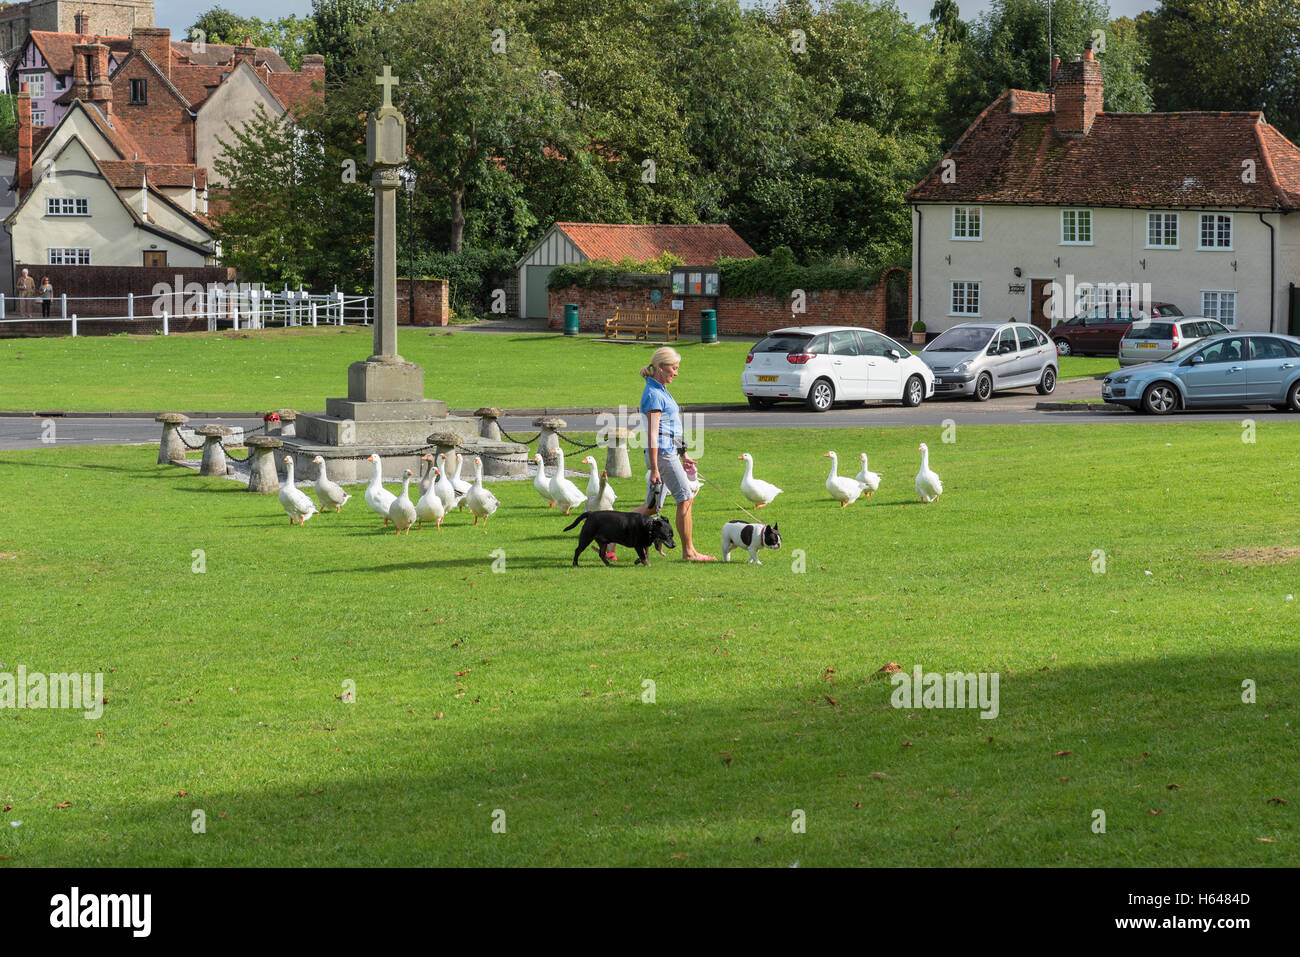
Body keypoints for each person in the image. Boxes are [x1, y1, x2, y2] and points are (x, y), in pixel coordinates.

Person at [633, 346, 714, 562]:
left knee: (651, 507)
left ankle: (609, 537)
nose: (677, 373)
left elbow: (670, 428)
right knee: (685, 498)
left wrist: (684, 454)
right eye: (674, 368)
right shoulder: (653, 394)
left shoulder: (660, 389)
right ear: (661, 367)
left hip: (669, 453)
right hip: (663, 455)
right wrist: (655, 468)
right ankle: (689, 552)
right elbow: (652, 435)